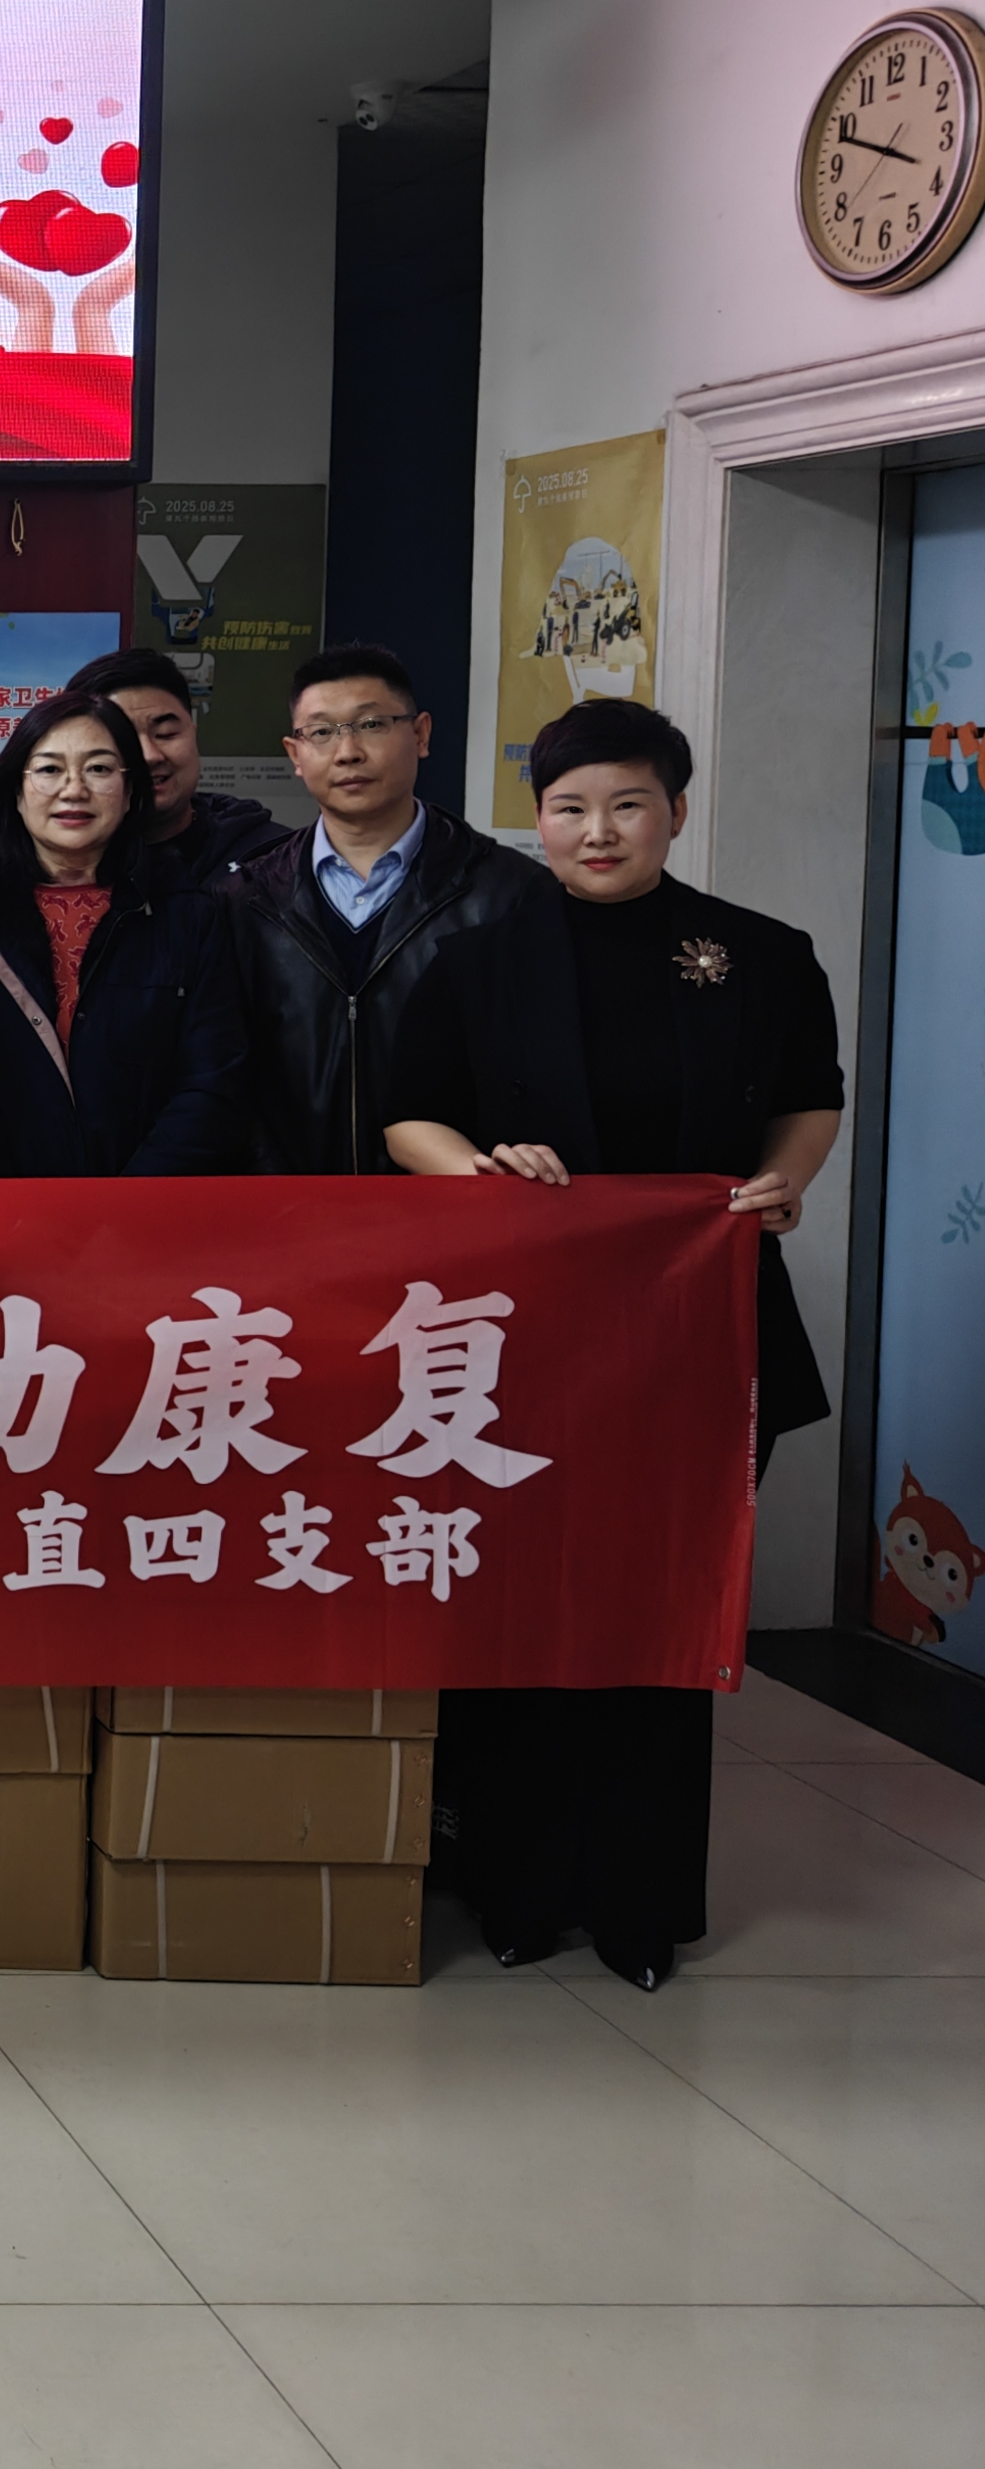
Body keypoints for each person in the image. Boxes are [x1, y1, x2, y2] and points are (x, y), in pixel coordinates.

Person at [383, 697, 845, 1990]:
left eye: (627, 804)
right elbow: (409, 1118)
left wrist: (783, 1182)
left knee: (660, 1609)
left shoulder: (759, 955)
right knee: (526, 1604)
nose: (598, 831)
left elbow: (810, 1098)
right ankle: (521, 1889)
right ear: (537, 820)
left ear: (675, 812)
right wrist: (478, 1172)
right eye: (570, 808)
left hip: (702, 1334)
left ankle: (640, 1904)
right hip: (523, 1340)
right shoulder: (476, 959)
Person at [221, 642, 544, 1174]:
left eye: (371, 724)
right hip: (288, 1205)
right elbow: (225, 1076)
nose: (347, 751)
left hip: (455, 1195)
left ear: (421, 734)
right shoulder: (246, 900)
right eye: (321, 732)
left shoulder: (509, 892)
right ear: (295, 755)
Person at [0, 692, 250, 1176]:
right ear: (17, 791)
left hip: (149, 1206)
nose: (73, 789)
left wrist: (125, 1201)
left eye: (98, 769)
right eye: (49, 769)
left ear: (130, 791)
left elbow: (213, 1081)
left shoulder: (189, 913)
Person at [69, 643, 282, 900]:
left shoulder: (276, 858)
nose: (149, 756)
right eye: (124, 739)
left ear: (193, 733)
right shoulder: (52, 865)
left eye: (166, 734)